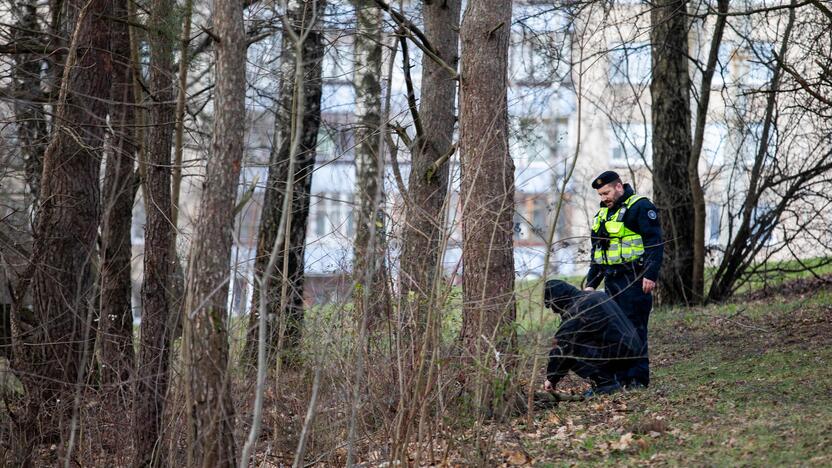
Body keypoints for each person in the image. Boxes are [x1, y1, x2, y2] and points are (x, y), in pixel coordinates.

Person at [585, 170, 663, 388]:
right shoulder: (602, 215)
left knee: (635, 328)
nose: (604, 198)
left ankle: (637, 379)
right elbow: (598, 254)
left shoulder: (641, 207)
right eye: (600, 195)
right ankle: (619, 379)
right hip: (612, 282)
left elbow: (654, 244)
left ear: (619, 187)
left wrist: (650, 274)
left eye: (606, 193)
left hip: (635, 280)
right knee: (615, 330)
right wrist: (591, 284)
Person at [543, 280, 643, 397]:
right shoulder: (596, 296)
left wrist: (551, 378)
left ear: (557, 300)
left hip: (620, 353)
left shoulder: (577, 310)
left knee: (572, 348)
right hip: (634, 350)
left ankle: (606, 384)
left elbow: (561, 347)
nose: (554, 311)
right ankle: (623, 380)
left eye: (552, 306)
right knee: (580, 339)